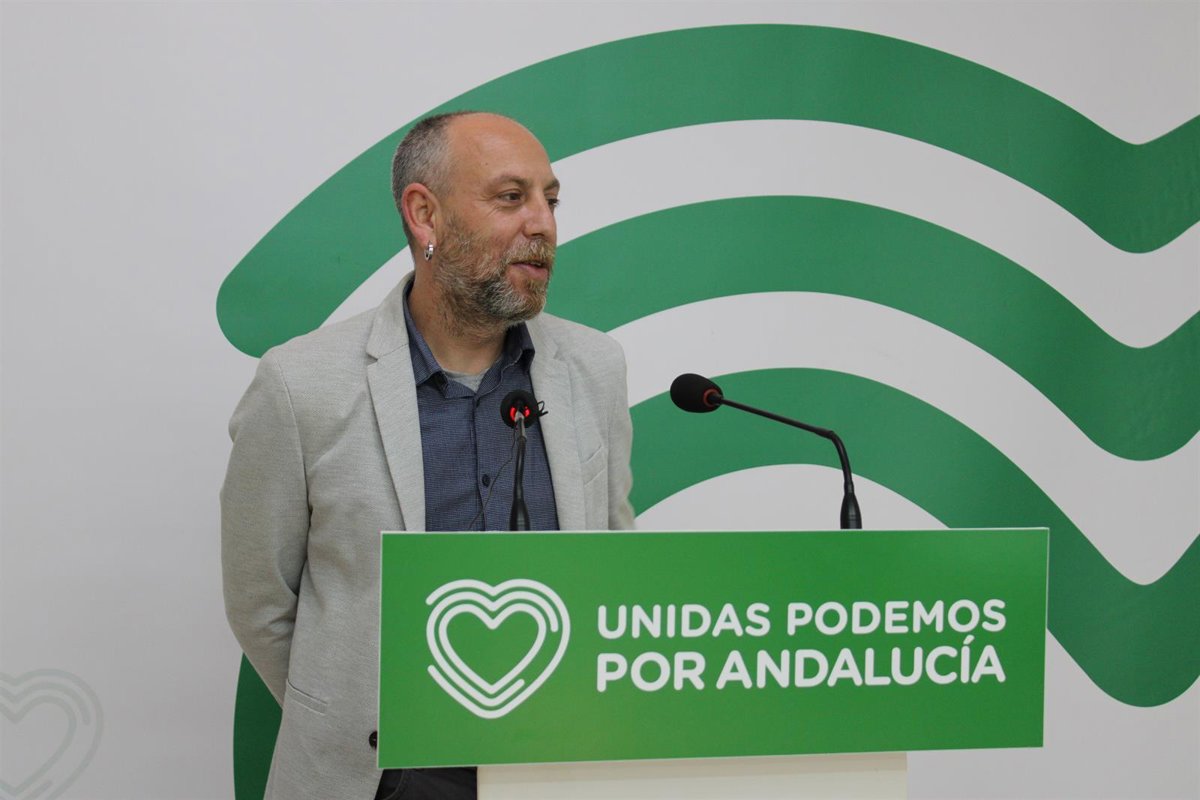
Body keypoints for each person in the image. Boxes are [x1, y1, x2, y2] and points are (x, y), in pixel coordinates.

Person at [221, 111, 635, 800]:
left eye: (551, 200)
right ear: (425, 215)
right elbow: (260, 603)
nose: (543, 224)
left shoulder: (595, 367)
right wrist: (354, 716)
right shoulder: (300, 385)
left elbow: (614, 560)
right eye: (511, 197)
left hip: (555, 764)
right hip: (380, 777)